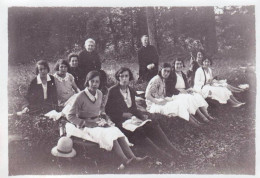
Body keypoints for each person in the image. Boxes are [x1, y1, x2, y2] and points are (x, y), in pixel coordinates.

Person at [66, 71, 147, 169]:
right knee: (109, 135)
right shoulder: (81, 96)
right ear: (87, 82)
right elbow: (70, 116)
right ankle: (125, 160)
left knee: (115, 131)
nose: (95, 84)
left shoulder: (99, 94)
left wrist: (105, 120)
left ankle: (133, 158)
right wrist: (85, 123)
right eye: (92, 81)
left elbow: (100, 110)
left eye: (97, 82)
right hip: (85, 125)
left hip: (97, 122)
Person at [105, 67, 183, 160]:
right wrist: (122, 114)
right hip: (120, 122)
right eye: (121, 76)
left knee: (152, 124)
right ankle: (163, 155)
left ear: (129, 77)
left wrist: (142, 117)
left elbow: (134, 109)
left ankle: (172, 149)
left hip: (132, 120)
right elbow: (108, 111)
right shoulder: (113, 91)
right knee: (138, 131)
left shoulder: (131, 90)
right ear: (118, 77)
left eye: (126, 76)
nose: (124, 79)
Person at [167, 58, 216, 123]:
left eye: (180, 64)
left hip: (184, 92)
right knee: (190, 98)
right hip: (175, 94)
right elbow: (170, 88)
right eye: (177, 64)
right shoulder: (171, 74)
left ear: (183, 65)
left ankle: (207, 115)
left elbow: (187, 86)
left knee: (197, 96)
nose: (179, 66)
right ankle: (202, 117)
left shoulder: (182, 74)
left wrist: (190, 90)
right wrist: (181, 91)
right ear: (174, 65)